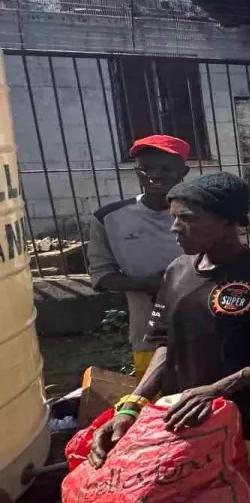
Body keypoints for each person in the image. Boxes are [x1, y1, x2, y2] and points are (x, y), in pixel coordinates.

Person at [88, 172, 250, 503]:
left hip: (248, 420)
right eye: (175, 217)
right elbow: (164, 344)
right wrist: (133, 403)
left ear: (227, 221)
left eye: (188, 218)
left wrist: (217, 390)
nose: (175, 228)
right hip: (187, 420)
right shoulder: (177, 272)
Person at [89, 135, 189, 376]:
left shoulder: (201, 211)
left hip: (204, 325)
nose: (154, 175)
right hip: (148, 332)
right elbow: (101, 276)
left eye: (166, 168)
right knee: (155, 403)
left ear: (183, 171)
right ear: (136, 172)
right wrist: (146, 284)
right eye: (145, 169)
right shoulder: (109, 218)